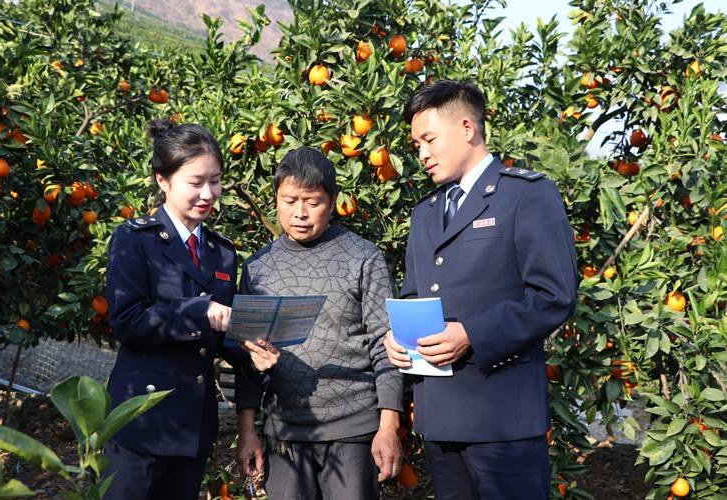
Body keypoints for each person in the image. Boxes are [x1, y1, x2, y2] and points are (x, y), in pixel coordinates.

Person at [383, 80, 578, 499]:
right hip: (440, 416)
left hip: (501, 418)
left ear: (467, 128)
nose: (422, 153)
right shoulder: (426, 213)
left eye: (429, 139)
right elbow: (417, 294)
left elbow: (553, 296)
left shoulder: (526, 195)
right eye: (417, 143)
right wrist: (397, 337)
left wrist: (472, 333)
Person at [103, 119, 280, 500]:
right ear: (163, 180)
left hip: (193, 426)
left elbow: (221, 336)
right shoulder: (135, 240)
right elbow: (127, 322)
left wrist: (252, 351)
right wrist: (197, 309)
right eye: (195, 182)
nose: (207, 193)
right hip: (140, 422)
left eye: (214, 181)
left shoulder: (222, 252)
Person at [234, 146, 404, 499]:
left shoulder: (363, 258)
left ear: (333, 200)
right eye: (289, 200)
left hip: (353, 430)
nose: (300, 213)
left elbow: (385, 345)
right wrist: (248, 429)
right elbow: (245, 358)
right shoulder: (257, 267)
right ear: (276, 198)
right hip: (286, 431)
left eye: (312, 202)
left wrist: (389, 425)